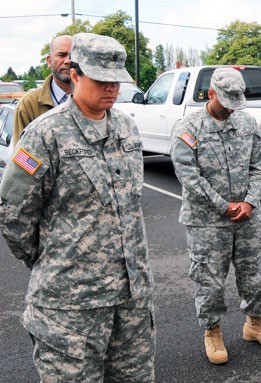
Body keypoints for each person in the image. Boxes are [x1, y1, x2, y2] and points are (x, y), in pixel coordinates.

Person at [0, 33, 155, 382]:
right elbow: (13, 212)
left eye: (116, 81)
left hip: (131, 302)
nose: (111, 88)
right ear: (75, 74)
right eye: (101, 79)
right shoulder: (45, 133)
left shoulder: (127, 129)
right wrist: (53, 258)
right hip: (68, 308)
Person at [170, 67, 261, 365]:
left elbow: (259, 164)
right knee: (209, 280)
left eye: (236, 100)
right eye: (226, 100)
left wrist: (249, 201)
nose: (232, 106)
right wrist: (223, 205)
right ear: (210, 94)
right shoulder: (189, 127)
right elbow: (187, 174)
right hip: (206, 220)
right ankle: (212, 330)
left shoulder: (247, 124)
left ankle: (255, 323)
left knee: (255, 271)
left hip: (248, 217)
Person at [13, 35, 73, 145]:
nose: (68, 61)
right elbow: (21, 157)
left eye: (73, 55)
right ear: (49, 61)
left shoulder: (94, 101)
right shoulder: (29, 104)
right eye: (61, 55)